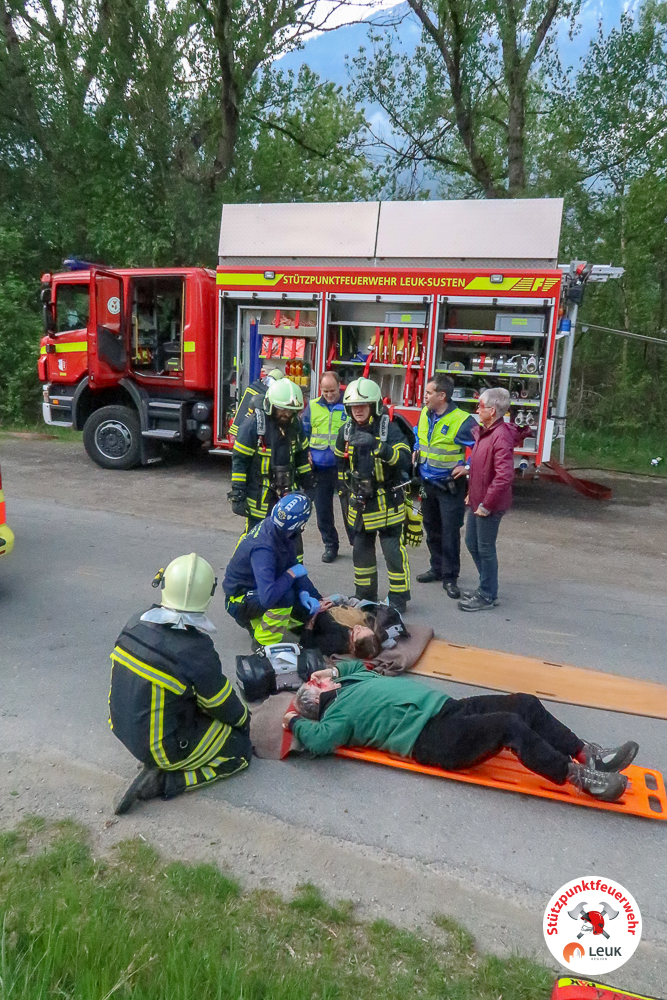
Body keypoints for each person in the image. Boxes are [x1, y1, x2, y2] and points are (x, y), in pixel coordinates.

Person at [283, 663, 639, 803]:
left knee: (524, 703)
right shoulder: (338, 714)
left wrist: (328, 669)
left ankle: (587, 753)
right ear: (315, 695)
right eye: (314, 683)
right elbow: (321, 741)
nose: (318, 679)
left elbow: (352, 665)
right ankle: (582, 778)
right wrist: (294, 721)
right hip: (432, 737)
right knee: (509, 726)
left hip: (449, 707)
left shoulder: (351, 680)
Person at [110, 553, 251, 815]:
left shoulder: (135, 621)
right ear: (207, 596)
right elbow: (221, 703)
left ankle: (164, 758)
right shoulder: (195, 649)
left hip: (121, 727)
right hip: (160, 747)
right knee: (239, 751)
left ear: (163, 584)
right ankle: (165, 781)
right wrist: (244, 721)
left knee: (182, 694)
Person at [335, 377, 412, 612]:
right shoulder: (345, 431)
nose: (358, 410)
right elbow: (340, 463)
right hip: (359, 502)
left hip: (387, 500)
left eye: (363, 405)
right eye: (354, 406)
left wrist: (379, 447)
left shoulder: (390, 427)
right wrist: (343, 494)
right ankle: (365, 594)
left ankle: (399, 597)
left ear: (374, 406)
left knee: (392, 552)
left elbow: (404, 458)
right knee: (361, 551)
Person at [223, 492, 325, 646]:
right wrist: (290, 575)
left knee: (302, 608)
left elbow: (292, 564)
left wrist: (314, 597)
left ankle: (259, 621)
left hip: (257, 586)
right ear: (301, 523)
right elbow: (268, 596)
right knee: (285, 596)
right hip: (238, 599)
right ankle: (263, 643)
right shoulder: (264, 549)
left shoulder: (282, 531)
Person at [453, 387, 519, 612]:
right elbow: (481, 467)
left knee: (485, 548)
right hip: (478, 501)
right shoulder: (486, 432)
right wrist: (472, 492)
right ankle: (486, 586)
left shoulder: (499, 436)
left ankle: (488, 594)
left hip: (489, 505)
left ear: (492, 411)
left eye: (480, 406)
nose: (477, 410)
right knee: (472, 543)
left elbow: (503, 476)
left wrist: (486, 504)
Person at [414, 374, 477, 599]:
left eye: (429, 393)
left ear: (442, 396)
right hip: (427, 483)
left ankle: (450, 577)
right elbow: (418, 434)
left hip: (450, 486)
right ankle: (437, 568)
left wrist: (468, 467)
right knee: (431, 528)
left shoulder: (462, 420)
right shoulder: (425, 413)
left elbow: (483, 444)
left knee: (450, 533)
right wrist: (415, 448)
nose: (425, 397)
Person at [230, 378, 313, 534]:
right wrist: (238, 494)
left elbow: (301, 456)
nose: (287, 414)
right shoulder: (253, 426)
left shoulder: (295, 425)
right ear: (271, 406)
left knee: (292, 546)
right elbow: (240, 462)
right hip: (259, 501)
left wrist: (308, 484)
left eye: (291, 410)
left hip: (288, 500)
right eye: (282, 409)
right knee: (255, 542)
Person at [302, 370, 353, 563]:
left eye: (332, 391)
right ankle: (331, 546)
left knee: (351, 510)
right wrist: (305, 451)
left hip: (343, 467)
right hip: (320, 469)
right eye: (325, 391)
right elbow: (303, 432)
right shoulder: (313, 406)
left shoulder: (348, 405)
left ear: (339, 386)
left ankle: (359, 546)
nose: (329, 395)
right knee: (323, 511)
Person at [301, 604, 386, 658]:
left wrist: (314, 615)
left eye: (358, 632)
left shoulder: (334, 643)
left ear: (353, 646)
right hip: (324, 605)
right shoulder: (358, 622)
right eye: (365, 628)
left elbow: (307, 644)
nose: (359, 627)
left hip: (308, 612)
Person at [229, 368, 284, 439]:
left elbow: (241, 412)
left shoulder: (252, 388)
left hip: (240, 431)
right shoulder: (270, 396)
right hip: (255, 435)